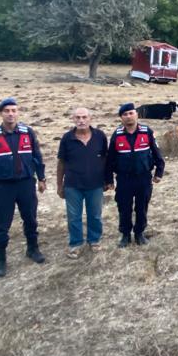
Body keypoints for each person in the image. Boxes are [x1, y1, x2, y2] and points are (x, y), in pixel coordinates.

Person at [0, 97, 47, 278]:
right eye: (7, 111)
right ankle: (0, 260)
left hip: (26, 184)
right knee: (1, 224)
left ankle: (32, 249)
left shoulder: (27, 132)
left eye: (14, 110)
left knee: (30, 219)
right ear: (1, 114)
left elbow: (37, 157)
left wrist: (42, 178)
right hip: (2, 186)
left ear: (18, 112)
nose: (11, 114)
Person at [104, 102, 165, 247]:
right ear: (121, 118)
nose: (128, 117)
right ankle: (125, 235)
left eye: (131, 113)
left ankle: (139, 233)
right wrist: (109, 179)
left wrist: (159, 172)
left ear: (136, 114)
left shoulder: (146, 131)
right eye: (125, 114)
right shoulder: (117, 135)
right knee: (124, 207)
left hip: (143, 178)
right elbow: (110, 159)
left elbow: (157, 153)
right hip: (124, 179)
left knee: (141, 207)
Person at [56, 107, 108, 258]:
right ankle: (76, 244)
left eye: (84, 117)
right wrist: (60, 185)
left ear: (90, 118)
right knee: (73, 217)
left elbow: (106, 159)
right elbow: (61, 163)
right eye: (78, 117)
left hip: (96, 184)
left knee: (95, 215)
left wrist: (107, 179)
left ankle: (94, 240)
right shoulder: (67, 138)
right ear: (73, 119)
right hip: (73, 185)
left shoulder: (100, 136)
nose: (81, 120)